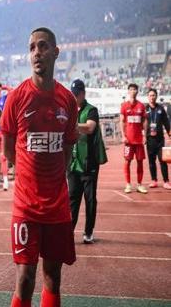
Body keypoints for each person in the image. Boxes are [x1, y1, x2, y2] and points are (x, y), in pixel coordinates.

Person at [1, 27, 78, 307]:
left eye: (43, 46)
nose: (37, 52)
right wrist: (28, 176)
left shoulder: (68, 100)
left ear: (55, 52)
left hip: (57, 206)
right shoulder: (17, 97)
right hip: (26, 206)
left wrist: (51, 177)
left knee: (53, 277)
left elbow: (67, 149)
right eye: (32, 47)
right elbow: (8, 150)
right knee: (25, 278)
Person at [68, 79, 107, 244]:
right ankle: (68, 231)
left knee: (90, 199)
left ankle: (88, 232)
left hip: (88, 162)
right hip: (73, 164)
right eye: (72, 94)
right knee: (72, 198)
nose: (74, 97)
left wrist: (71, 125)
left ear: (83, 94)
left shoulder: (91, 110)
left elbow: (90, 127)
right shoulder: (68, 110)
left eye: (76, 94)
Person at [120, 83, 148, 194]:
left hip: (139, 140)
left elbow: (144, 121)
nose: (133, 91)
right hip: (128, 140)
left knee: (140, 162)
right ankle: (128, 184)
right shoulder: (124, 106)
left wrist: (145, 135)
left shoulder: (141, 106)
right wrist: (123, 136)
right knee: (127, 162)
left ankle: (139, 185)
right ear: (128, 91)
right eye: (131, 89)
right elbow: (121, 121)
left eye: (135, 89)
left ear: (137, 91)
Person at [145, 88, 171, 189]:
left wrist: (170, 134)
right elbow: (141, 123)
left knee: (162, 160)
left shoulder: (160, 109)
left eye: (154, 95)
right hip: (149, 139)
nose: (152, 97)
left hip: (160, 140)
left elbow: (166, 122)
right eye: (150, 95)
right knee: (151, 161)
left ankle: (166, 181)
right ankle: (154, 180)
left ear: (156, 96)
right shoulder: (145, 109)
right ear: (148, 97)